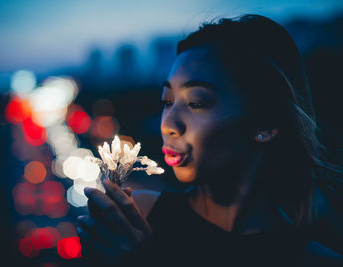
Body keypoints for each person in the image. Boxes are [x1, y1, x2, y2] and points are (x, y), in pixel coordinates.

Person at [77, 14, 343, 266]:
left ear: (265, 124)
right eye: (167, 101)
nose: (168, 125)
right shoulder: (140, 216)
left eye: (196, 102)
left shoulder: (315, 261)